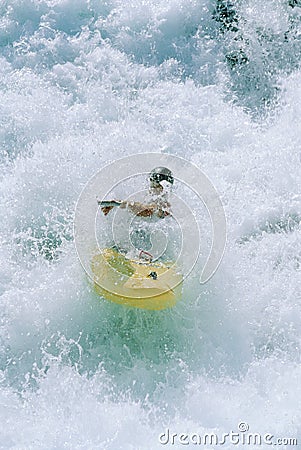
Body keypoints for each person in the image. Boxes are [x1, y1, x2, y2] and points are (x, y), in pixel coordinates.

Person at [99, 167, 175, 260]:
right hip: (136, 253)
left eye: (155, 185)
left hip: (156, 259)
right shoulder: (147, 200)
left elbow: (145, 211)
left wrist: (118, 203)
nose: (151, 188)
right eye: (151, 184)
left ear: (165, 188)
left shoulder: (164, 206)